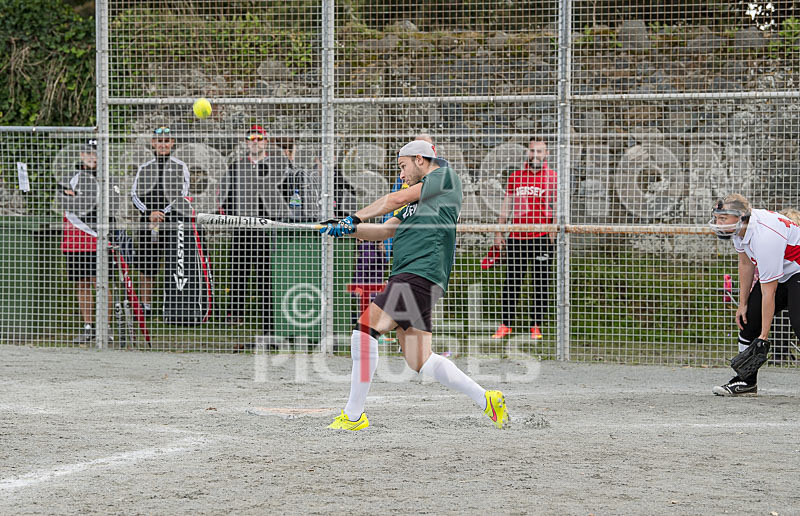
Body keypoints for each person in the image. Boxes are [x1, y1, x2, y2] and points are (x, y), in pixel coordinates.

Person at [320, 139, 509, 431]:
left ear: (420, 159)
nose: (401, 174)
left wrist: (354, 217)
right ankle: (486, 398)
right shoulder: (416, 201)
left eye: (403, 166)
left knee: (365, 329)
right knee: (420, 359)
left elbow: (394, 199)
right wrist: (345, 230)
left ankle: (353, 416)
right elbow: (384, 230)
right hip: (413, 276)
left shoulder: (443, 176)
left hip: (420, 272)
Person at [709, 193, 800, 396]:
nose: (718, 222)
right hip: (783, 273)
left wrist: (764, 336)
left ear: (741, 216)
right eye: (717, 217)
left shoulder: (765, 236)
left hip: (797, 271)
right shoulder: (740, 230)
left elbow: (770, 291)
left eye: (723, 218)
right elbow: (745, 264)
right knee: (748, 320)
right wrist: (743, 304)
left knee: (798, 322)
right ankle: (746, 382)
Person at [219, 125, 283, 337]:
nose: (254, 142)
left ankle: (269, 317)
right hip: (242, 228)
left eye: (259, 138)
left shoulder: (277, 167)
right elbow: (225, 196)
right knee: (238, 271)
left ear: (266, 142)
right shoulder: (236, 167)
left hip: (266, 230)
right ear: (246, 142)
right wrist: (231, 216)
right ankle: (234, 314)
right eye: (251, 138)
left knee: (267, 274)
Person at [492, 136, 557, 341]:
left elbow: (556, 207)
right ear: (527, 153)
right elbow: (506, 206)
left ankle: (536, 326)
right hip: (517, 237)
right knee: (512, 281)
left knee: (540, 282)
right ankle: (506, 324)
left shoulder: (552, 177)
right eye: (532, 151)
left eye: (539, 151)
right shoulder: (516, 177)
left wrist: (553, 234)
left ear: (546, 154)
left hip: (541, 237)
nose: (535, 155)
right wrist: (498, 231)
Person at [131, 125, 190, 317]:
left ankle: (172, 305)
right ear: (153, 143)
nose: (163, 145)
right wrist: (149, 213)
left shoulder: (181, 167)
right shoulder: (144, 167)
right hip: (148, 222)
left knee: (174, 263)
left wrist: (163, 212)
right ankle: (145, 307)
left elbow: (182, 194)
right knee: (146, 264)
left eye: (167, 141)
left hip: (171, 222)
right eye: (159, 141)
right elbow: (134, 195)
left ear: (172, 143)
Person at [59, 138, 110, 343]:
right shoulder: (70, 177)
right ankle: (88, 327)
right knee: (82, 283)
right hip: (77, 240)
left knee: (103, 283)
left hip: (100, 239)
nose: (92, 157)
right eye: (88, 153)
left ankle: (104, 328)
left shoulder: (107, 178)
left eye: (95, 153)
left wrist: (79, 198)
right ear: (81, 155)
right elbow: (65, 201)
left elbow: (109, 205)